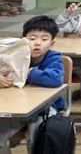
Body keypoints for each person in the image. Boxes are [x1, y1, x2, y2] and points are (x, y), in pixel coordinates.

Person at [0, 16, 65, 148]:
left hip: (45, 108)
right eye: (32, 38)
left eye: (44, 39)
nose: (37, 43)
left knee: (39, 136)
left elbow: (56, 78)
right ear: (23, 41)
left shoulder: (53, 57)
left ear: (52, 43)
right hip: (15, 106)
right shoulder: (13, 55)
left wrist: (26, 73)